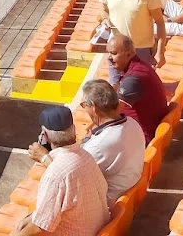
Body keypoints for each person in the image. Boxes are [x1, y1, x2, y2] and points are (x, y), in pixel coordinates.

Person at [17, 105, 110, 236]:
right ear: (73, 130)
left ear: (45, 136)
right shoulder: (86, 156)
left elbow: (40, 228)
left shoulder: (55, 175)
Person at [77, 80, 146, 208]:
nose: (84, 109)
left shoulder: (98, 145)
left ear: (93, 107)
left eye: (83, 104)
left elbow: (72, 177)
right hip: (128, 191)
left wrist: (44, 158)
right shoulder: (132, 123)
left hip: (106, 204)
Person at [97, 0, 167, 77]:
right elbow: (103, 9)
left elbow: (160, 22)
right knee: (115, 87)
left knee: (140, 86)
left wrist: (160, 52)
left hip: (141, 50)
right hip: (116, 49)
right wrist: (105, 19)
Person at [106, 32, 169, 144]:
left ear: (129, 54)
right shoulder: (139, 68)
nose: (109, 58)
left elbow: (112, 113)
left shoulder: (134, 77)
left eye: (113, 53)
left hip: (141, 139)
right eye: (108, 53)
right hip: (141, 132)